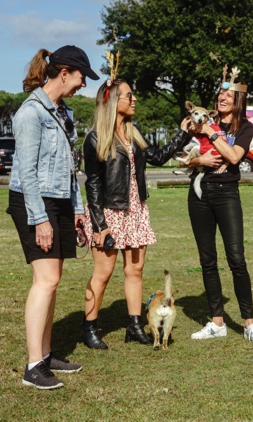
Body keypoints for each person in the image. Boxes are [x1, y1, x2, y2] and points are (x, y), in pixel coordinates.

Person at [8, 45, 99, 389]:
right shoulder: (31, 112)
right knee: (44, 281)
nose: (82, 85)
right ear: (64, 74)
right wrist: (40, 218)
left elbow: (70, 167)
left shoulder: (63, 112)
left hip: (59, 201)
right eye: (80, 78)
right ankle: (33, 367)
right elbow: (27, 172)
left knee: (54, 280)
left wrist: (76, 211)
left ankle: (46, 355)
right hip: (34, 201)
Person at [80, 76, 190, 349]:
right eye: (129, 95)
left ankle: (135, 325)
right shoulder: (95, 138)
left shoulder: (133, 131)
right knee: (103, 273)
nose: (134, 99)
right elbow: (92, 185)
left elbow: (158, 157)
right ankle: (90, 327)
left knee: (136, 270)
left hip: (135, 210)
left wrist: (182, 134)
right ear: (112, 101)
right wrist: (99, 225)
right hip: (107, 212)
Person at [184, 65, 253, 343]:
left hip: (227, 194)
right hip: (199, 195)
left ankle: (249, 323)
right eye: (220, 93)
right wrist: (199, 160)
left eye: (228, 95)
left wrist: (211, 132)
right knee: (207, 261)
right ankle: (217, 322)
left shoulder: (244, 127)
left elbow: (234, 157)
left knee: (237, 259)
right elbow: (185, 159)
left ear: (238, 100)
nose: (222, 98)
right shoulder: (200, 121)